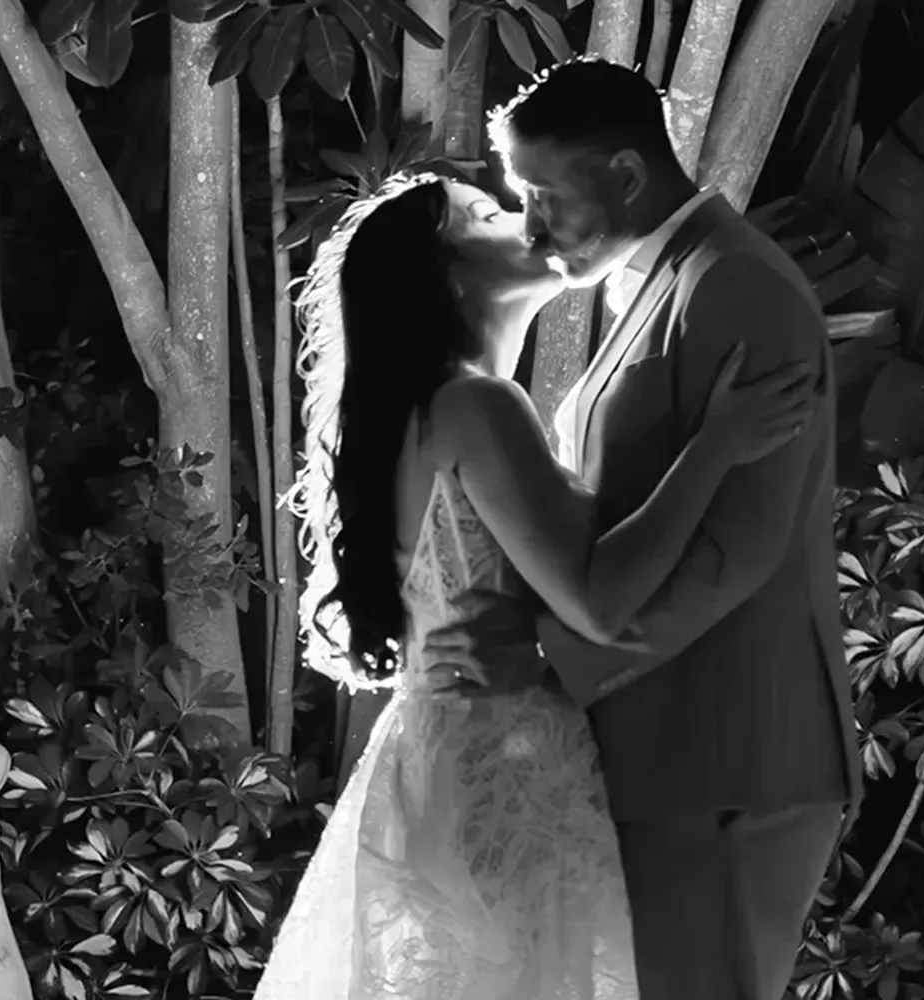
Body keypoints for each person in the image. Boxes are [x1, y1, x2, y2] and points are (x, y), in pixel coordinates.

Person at [254, 169, 819, 1000]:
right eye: (485, 212)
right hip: (504, 758)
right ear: (447, 273)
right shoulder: (479, 405)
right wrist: (714, 448)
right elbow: (596, 597)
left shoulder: (423, 412)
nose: (523, 214)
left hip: (436, 752)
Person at [424, 56, 867, 1000]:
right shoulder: (668, 274)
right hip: (672, 747)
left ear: (625, 174)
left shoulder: (735, 285)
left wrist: (553, 664)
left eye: (543, 196)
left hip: (724, 752)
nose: (534, 227)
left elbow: (736, 550)